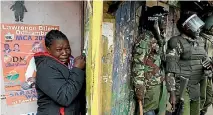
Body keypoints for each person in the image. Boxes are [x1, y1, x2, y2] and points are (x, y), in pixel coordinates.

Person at [165, 11, 212, 115]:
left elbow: (205, 60)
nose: (198, 29)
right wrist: (172, 93)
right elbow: (170, 70)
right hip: (182, 88)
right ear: (186, 28)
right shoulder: (176, 42)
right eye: (195, 26)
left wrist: (209, 67)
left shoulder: (199, 41)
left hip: (195, 87)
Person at [35, 30, 86, 115]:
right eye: (59, 49)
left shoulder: (69, 63)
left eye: (67, 48)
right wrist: (77, 69)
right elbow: (64, 98)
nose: (65, 53)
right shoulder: (45, 68)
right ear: (48, 50)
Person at [132, 6, 168, 115]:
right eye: (163, 19)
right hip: (149, 89)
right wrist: (139, 88)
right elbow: (138, 64)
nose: (165, 22)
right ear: (155, 20)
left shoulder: (158, 38)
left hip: (159, 85)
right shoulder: (145, 39)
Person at [200, 13, 213, 115]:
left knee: (209, 97)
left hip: (209, 73)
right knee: (201, 97)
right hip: (200, 73)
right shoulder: (201, 39)